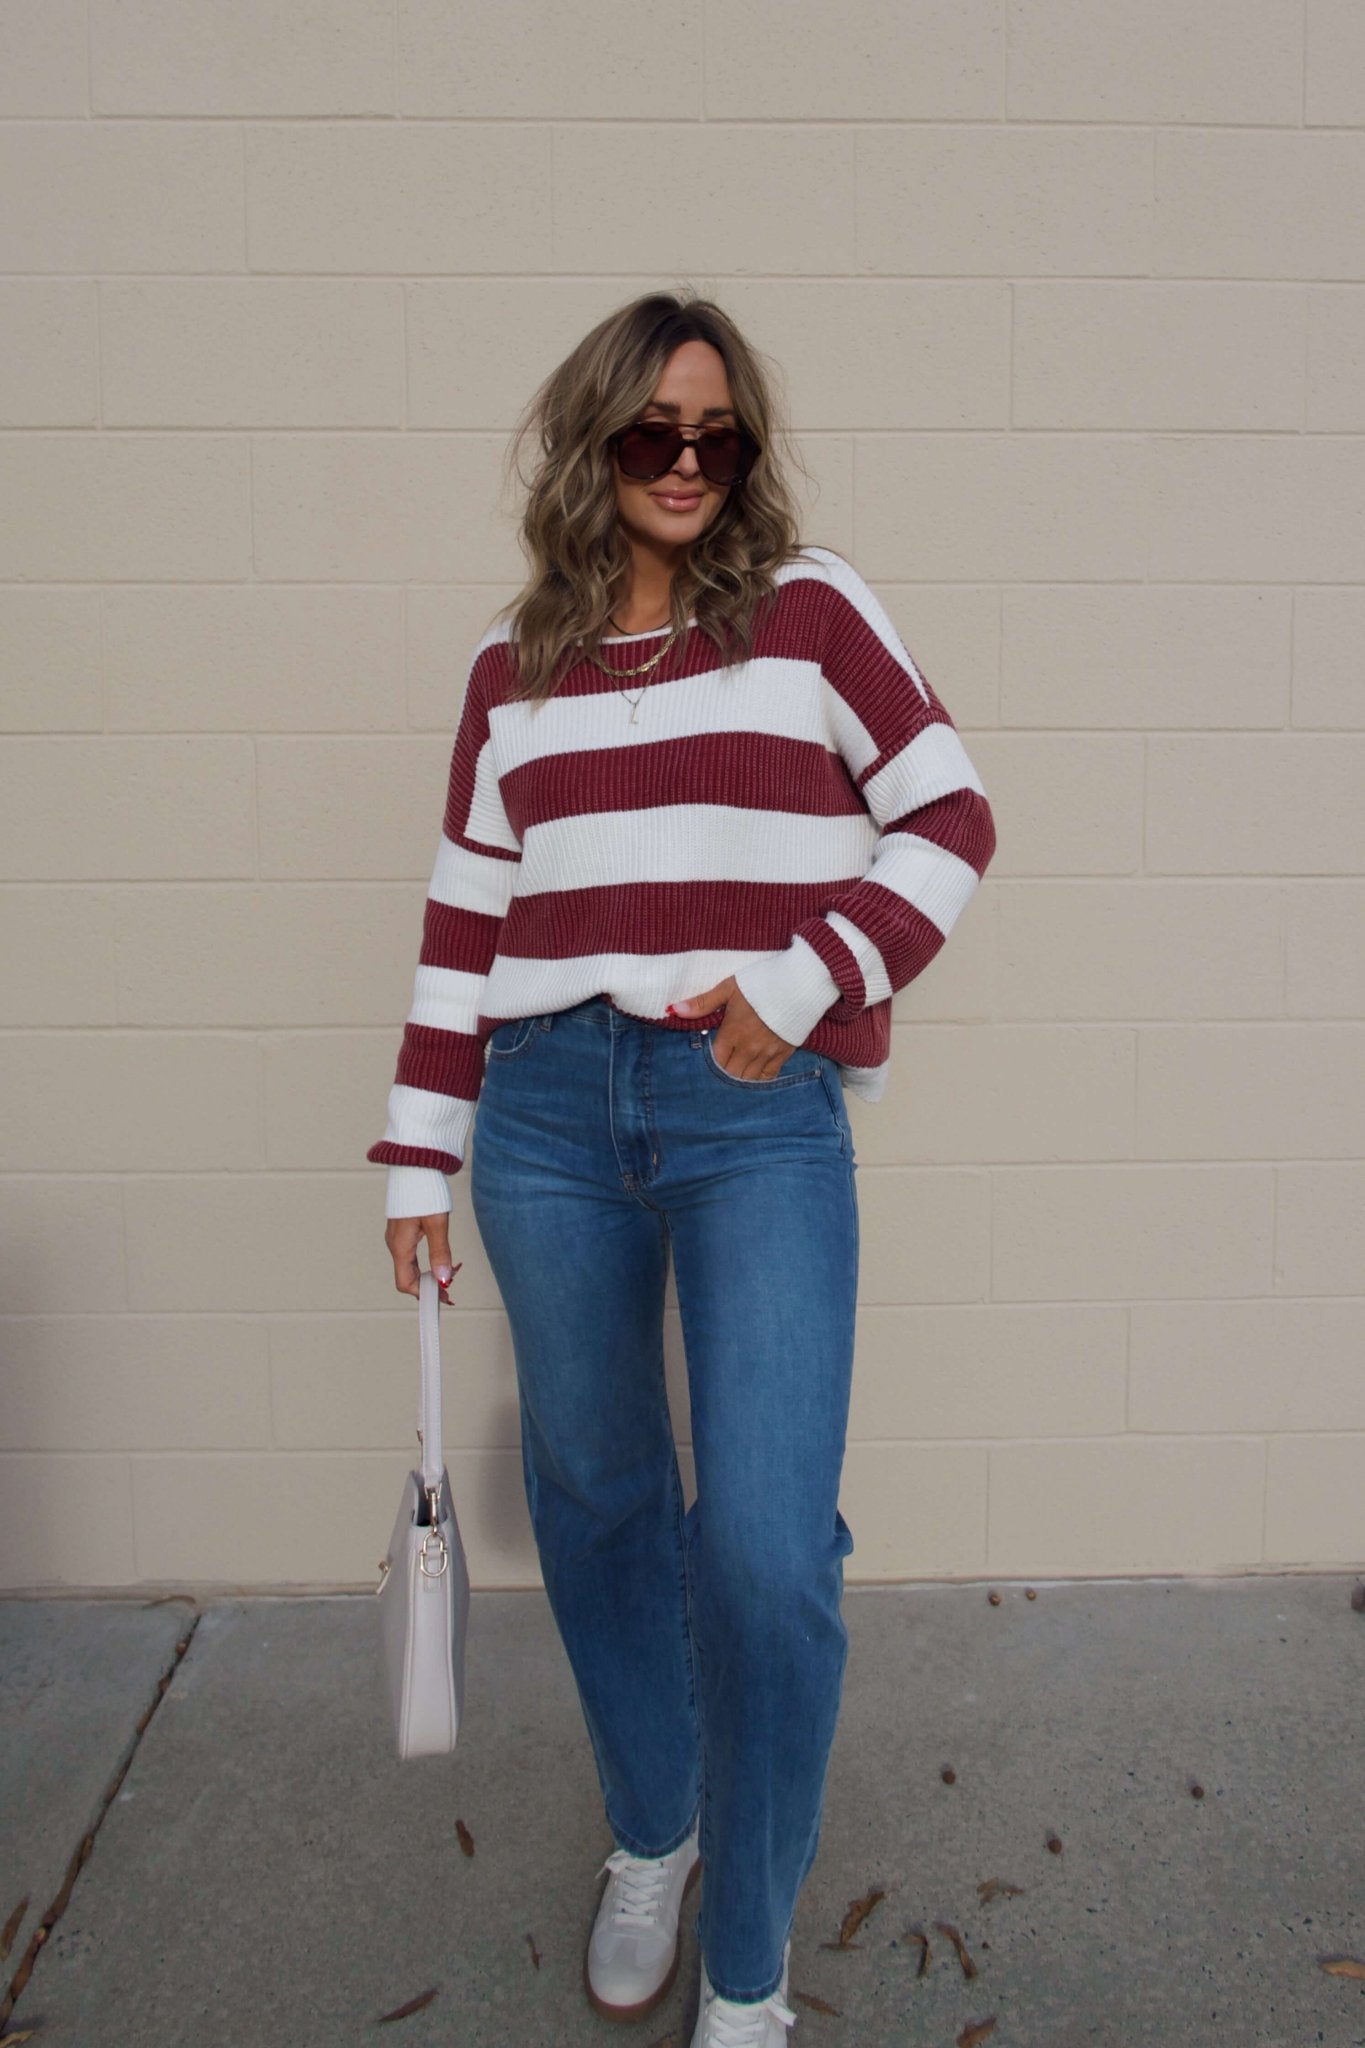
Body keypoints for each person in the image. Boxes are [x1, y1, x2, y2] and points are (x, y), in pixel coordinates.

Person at [368, 290, 997, 2046]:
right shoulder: (513, 670)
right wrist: (417, 1156)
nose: (686, 462)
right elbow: (462, 920)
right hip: (547, 1117)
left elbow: (950, 816)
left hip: (748, 1110)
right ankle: (655, 1826)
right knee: (597, 1504)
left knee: (770, 1555)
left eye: (715, 433)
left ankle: (751, 1961)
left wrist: (800, 983)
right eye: (651, 432)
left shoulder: (808, 611)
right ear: (594, 444)